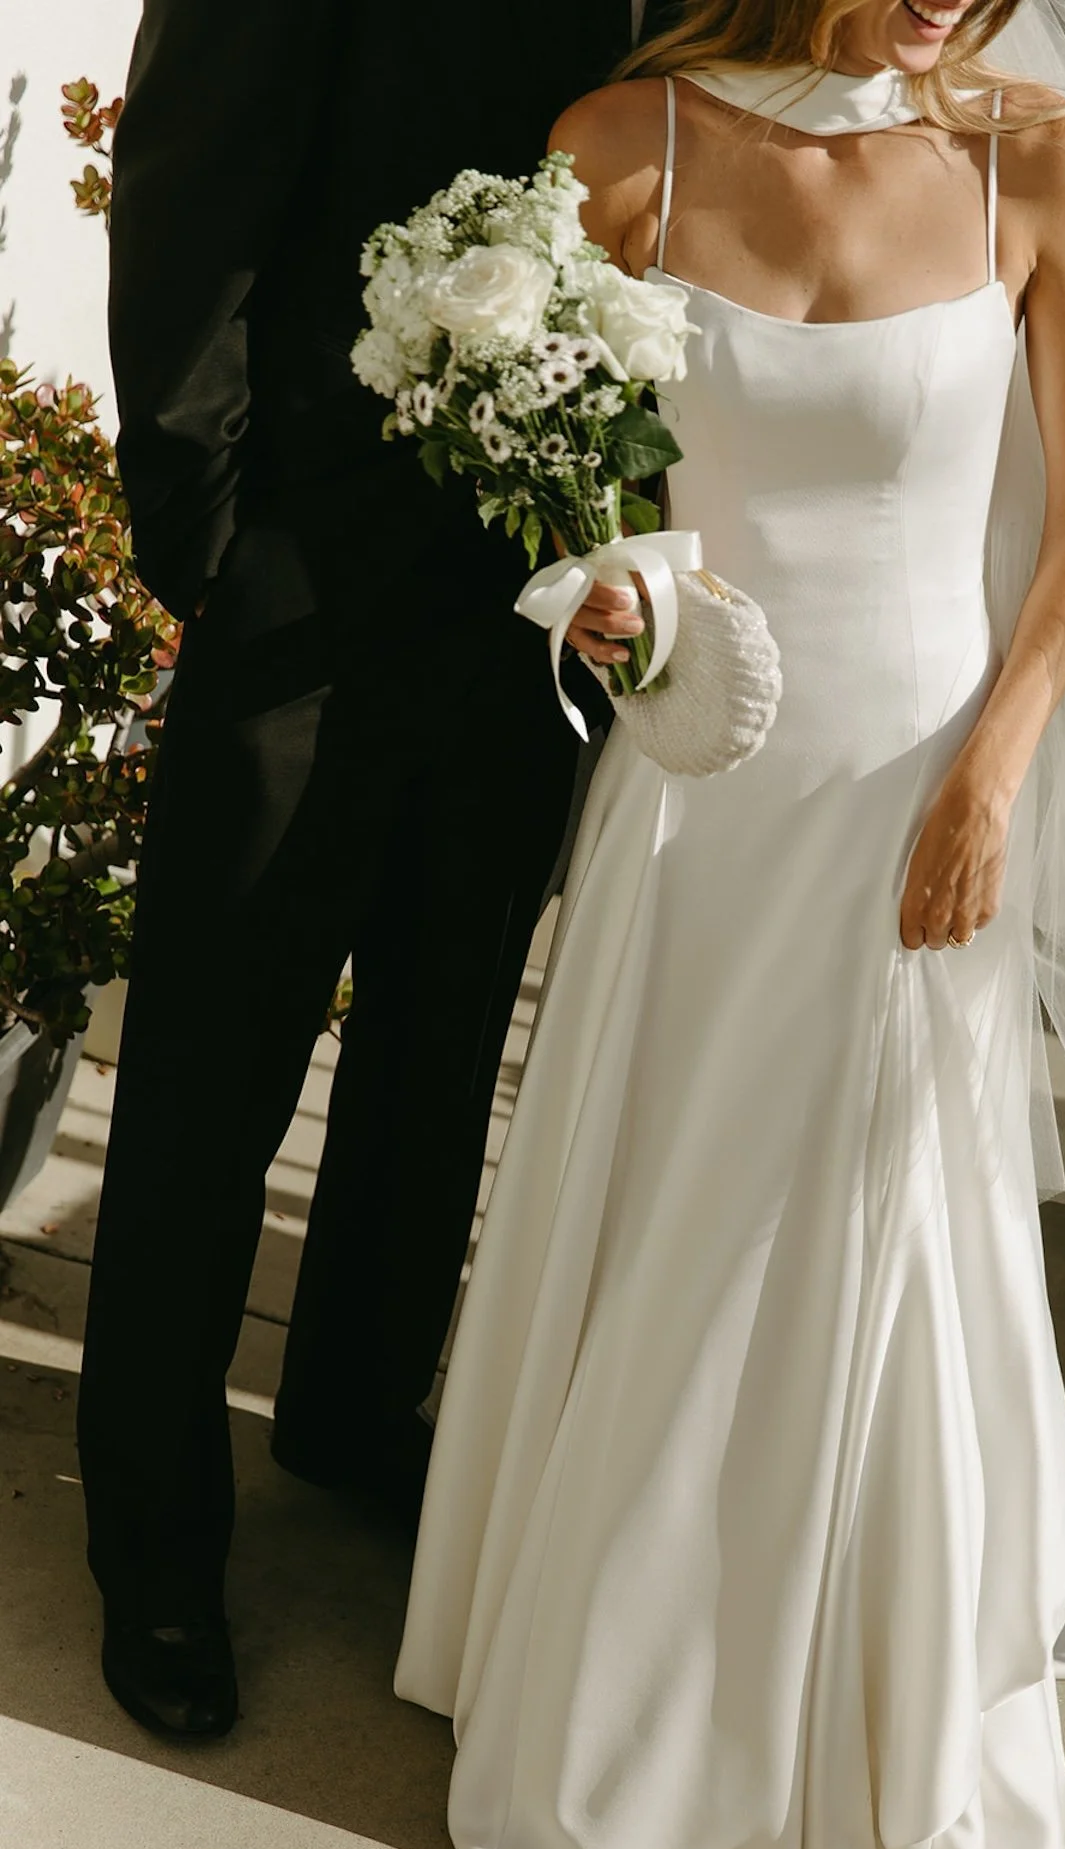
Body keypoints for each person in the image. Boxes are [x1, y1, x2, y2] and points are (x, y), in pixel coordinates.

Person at [393, 0, 1065, 1849]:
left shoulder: (1043, 162)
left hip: (918, 790)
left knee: (869, 1224)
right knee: (672, 1208)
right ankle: (623, 1688)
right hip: (698, 783)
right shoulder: (624, 147)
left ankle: (851, 1710)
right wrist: (610, 587)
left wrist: (995, 784)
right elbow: (570, 472)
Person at [75, 0, 675, 1744]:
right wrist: (213, 540)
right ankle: (157, 1535)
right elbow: (188, 188)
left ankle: (346, 1416)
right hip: (303, 581)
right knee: (211, 1073)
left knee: (440, 1051)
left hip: (542, 614)